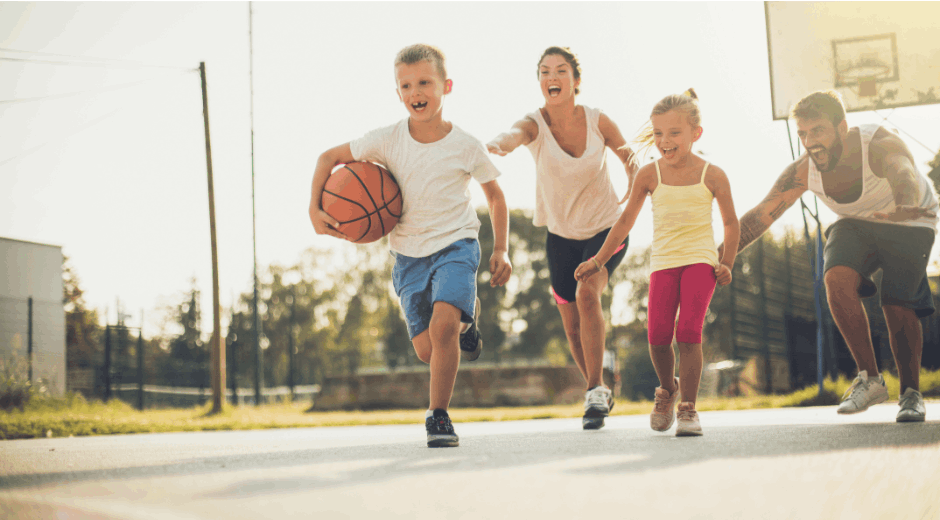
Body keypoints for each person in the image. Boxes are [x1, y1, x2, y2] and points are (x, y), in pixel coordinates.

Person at [308, 44, 512, 447]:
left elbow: (496, 198)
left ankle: (438, 416)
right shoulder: (386, 139)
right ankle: (467, 318)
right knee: (427, 350)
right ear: (397, 92)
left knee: (443, 327)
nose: (416, 91)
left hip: (457, 244)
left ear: (446, 86)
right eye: (406, 84)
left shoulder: (466, 144)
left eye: (425, 82)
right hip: (408, 255)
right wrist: (315, 209)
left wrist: (500, 249)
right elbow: (327, 157)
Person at [725, 90, 938, 422]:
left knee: (895, 302)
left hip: (909, 218)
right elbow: (759, 218)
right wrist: (716, 256)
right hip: (856, 223)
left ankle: (911, 394)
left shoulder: (877, 142)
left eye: (818, 130)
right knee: (835, 277)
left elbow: (903, 173)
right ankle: (870, 379)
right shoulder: (803, 171)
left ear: (842, 128)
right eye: (803, 134)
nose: (810, 141)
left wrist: (904, 203)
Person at [486, 46, 639, 430]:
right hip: (560, 236)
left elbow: (630, 158)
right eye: (544, 71)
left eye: (560, 70)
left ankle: (594, 392)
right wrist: (499, 144)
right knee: (571, 323)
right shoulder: (534, 123)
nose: (552, 77)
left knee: (588, 291)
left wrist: (633, 192)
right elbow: (514, 134)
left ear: (576, 80)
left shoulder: (597, 120)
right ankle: (599, 386)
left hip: (607, 229)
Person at [575, 89, 740, 436]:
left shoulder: (714, 175)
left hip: (700, 261)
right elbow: (624, 222)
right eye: (659, 133)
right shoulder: (649, 175)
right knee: (658, 335)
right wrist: (599, 260)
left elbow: (730, 223)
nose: (665, 141)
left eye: (674, 133)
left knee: (689, 332)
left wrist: (727, 261)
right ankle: (668, 389)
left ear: (696, 134)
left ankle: (688, 408)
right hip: (664, 262)